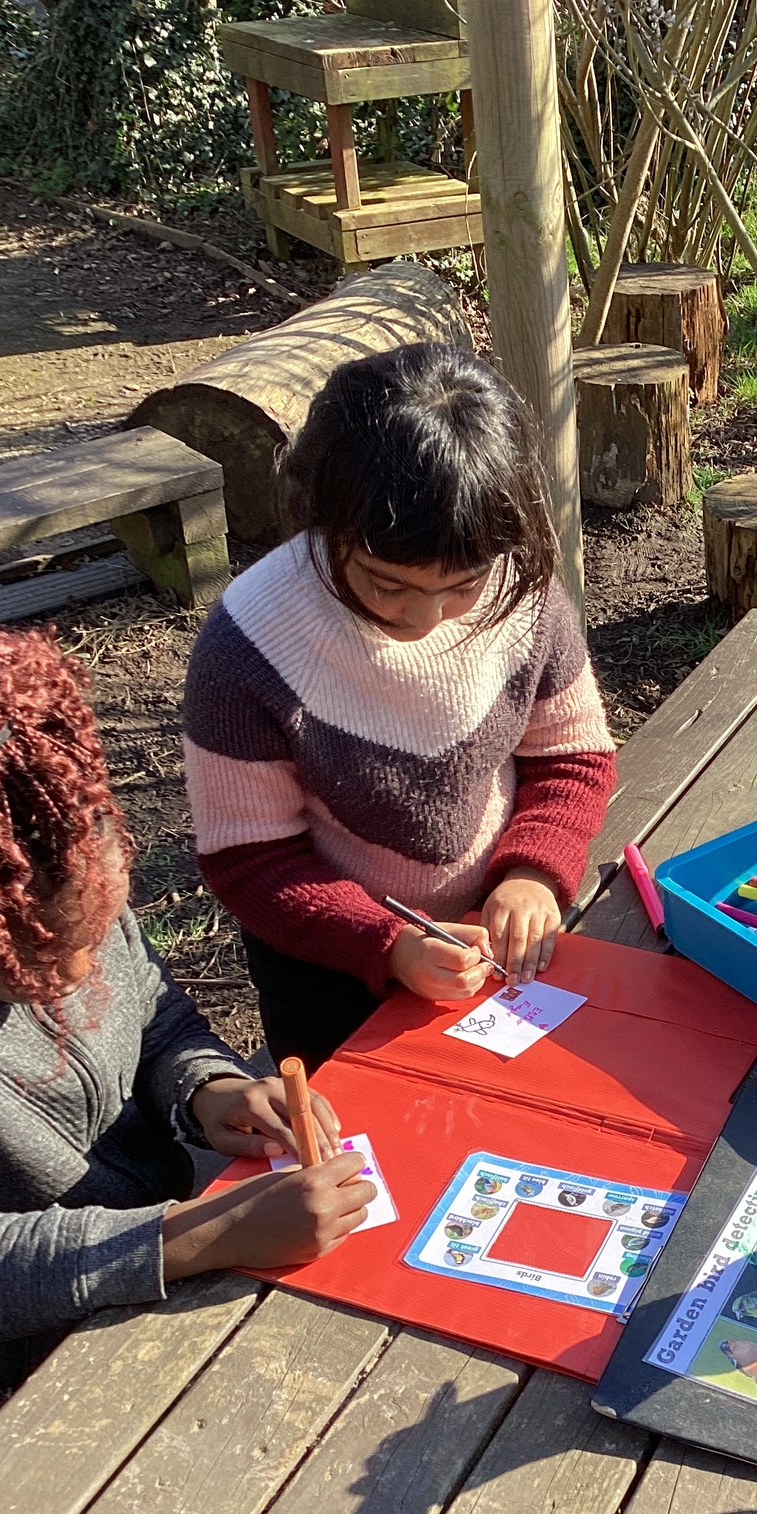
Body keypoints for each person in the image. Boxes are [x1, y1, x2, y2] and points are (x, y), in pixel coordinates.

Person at [0, 623, 374, 1469]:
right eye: (35, 957)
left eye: (97, 931)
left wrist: (208, 1088)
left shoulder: (58, 855)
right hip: (4, 1393)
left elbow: (153, 1013)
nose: (78, 974)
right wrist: (199, 1234)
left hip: (142, 1283)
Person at [182, 343, 616, 1071]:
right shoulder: (249, 644)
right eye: (388, 586)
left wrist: (534, 872)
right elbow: (249, 859)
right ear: (325, 518)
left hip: (496, 933)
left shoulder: (518, 584)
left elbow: (571, 755)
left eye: (463, 587)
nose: (426, 618)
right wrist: (386, 944)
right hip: (327, 970)